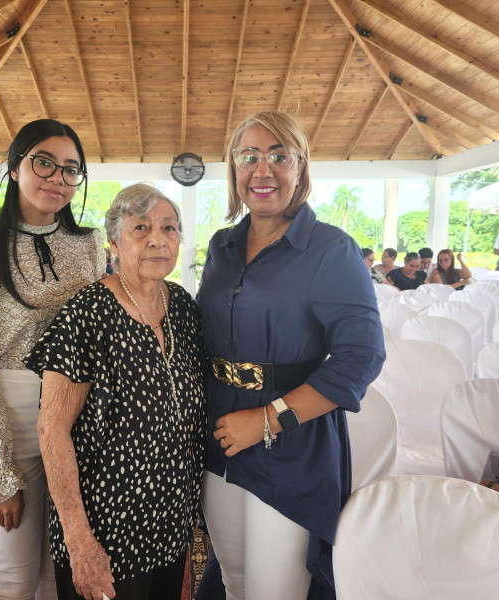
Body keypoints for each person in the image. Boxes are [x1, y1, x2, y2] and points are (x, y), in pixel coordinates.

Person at [197, 111, 385, 599]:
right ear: (233, 169)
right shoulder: (221, 245)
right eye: (249, 157)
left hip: (290, 446)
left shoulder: (331, 250)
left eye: (280, 156)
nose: (263, 171)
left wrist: (266, 419)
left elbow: (360, 357)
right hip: (218, 441)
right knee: (233, 580)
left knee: (274, 591)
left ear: (301, 168)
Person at [0, 119, 106, 600]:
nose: (58, 178)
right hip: (8, 428)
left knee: (62, 574)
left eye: (71, 170)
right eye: (45, 163)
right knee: (16, 580)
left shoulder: (90, 245)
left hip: (76, 424)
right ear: (15, 168)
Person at [24, 183, 206, 600]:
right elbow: (51, 430)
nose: (158, 239)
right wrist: (79, 540)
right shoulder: (84, 317)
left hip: (170, 521)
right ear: (114, 242)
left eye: (169, 227)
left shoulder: (182, 306)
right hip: (106, 528)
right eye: (141, 228)